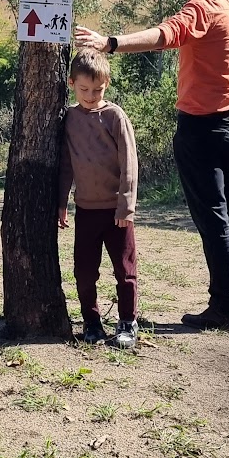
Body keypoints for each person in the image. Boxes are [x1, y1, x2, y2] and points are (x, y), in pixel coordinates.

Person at [74, 0, 229, 334]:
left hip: (204, 127)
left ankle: (224, 307)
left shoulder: (203, 7)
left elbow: (165, 35)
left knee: (215, 217)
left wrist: (110, 43)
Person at [57, 48, 140, 349]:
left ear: (107, 84)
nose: (90, 96)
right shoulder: (69, 118)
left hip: (116, 212)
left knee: (125, 271)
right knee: (84, 271)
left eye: (97, 90)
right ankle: (91, 322)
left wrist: (126, 207)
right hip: (86, 210)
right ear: (71, 83)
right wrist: (61, 202)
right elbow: (66, 163)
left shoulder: (115, 116)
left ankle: (127, 322)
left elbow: (129, 162)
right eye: (84, 89)